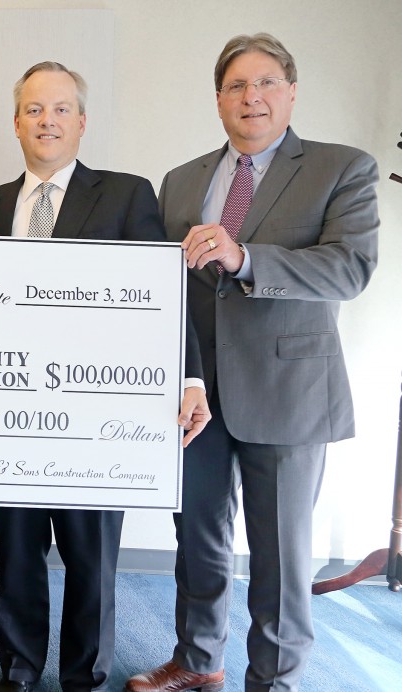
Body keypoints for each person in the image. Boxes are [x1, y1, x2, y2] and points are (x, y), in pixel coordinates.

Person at [126, 33, 378, 692]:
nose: (252, 97)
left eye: (266, 82)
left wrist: (245, 258)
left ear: (291, 92)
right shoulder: (180, 180)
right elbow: (165, 290)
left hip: (288, 395)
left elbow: (350, 269)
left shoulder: (341, 167)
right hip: (197, 395)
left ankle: (275, 680)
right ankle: (199, 660)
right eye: (237, 86)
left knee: (281, 559)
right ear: (218, 100)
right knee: (199, 544)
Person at [0, 62, 209, 692]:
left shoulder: (127, 194)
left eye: (61, 109)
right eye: (35, 110)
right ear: (16, 122)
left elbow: (163, 297)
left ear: (82, 121)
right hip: (10, 413)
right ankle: (18, 670)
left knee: (92, 559)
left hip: (97, 417)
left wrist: (189, 379)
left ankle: (84, 677)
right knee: (16, 553)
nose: (48, 120)